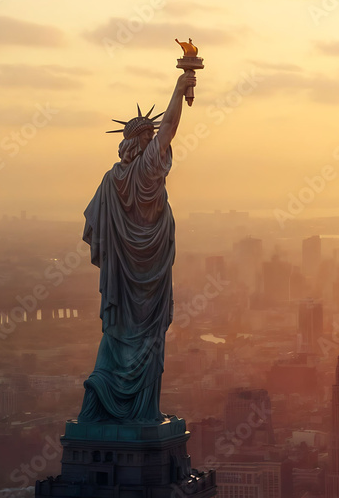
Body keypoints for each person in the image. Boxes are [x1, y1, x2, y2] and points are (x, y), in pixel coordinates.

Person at [78, 71, 194, 423]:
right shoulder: (147, 170)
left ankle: (106, 399)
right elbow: (170, 128)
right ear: (141, 143)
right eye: (149, 137)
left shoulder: (110, 180)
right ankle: (139, 409)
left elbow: (94, 230)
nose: (156, 143)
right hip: (149, 274)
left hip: (123, 277)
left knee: (121, 337)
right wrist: (180, 84)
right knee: (148, 340)